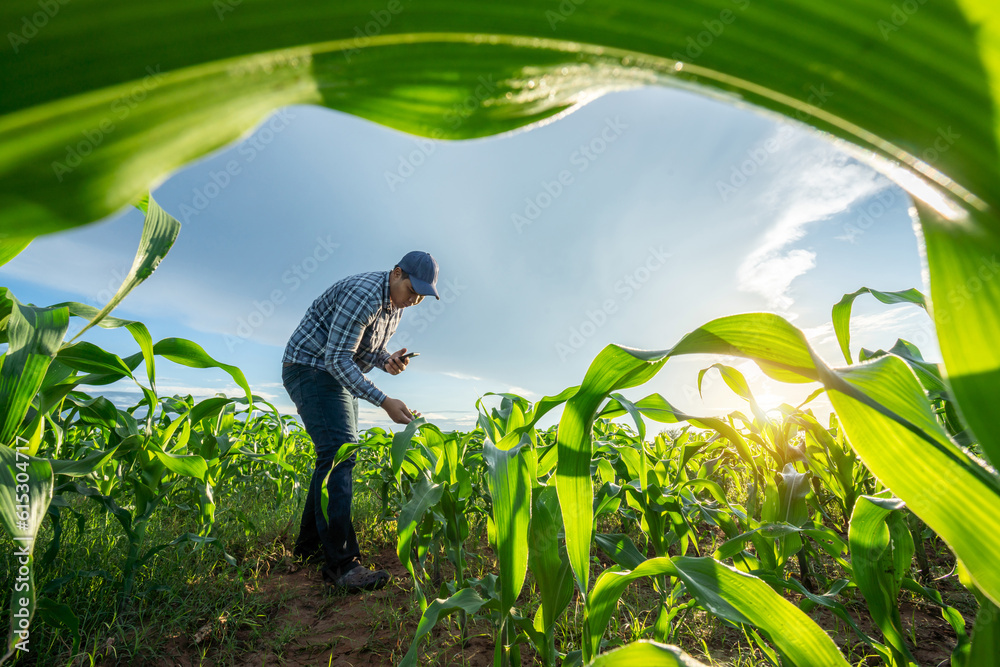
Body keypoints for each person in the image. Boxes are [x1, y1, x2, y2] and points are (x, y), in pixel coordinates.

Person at [281, 250, 440, 592]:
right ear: (397, 273)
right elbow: (337, 359)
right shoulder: (364, 295)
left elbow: (360, 350)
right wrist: (384, 401)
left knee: (333, 455)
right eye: (413, 290)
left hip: (331, 372)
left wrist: (387, 360)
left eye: (422, 296)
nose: (414, 300)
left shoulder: (393, 307)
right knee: (340, 452)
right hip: (311, 368)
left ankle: (309, 549)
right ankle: (342, 566)